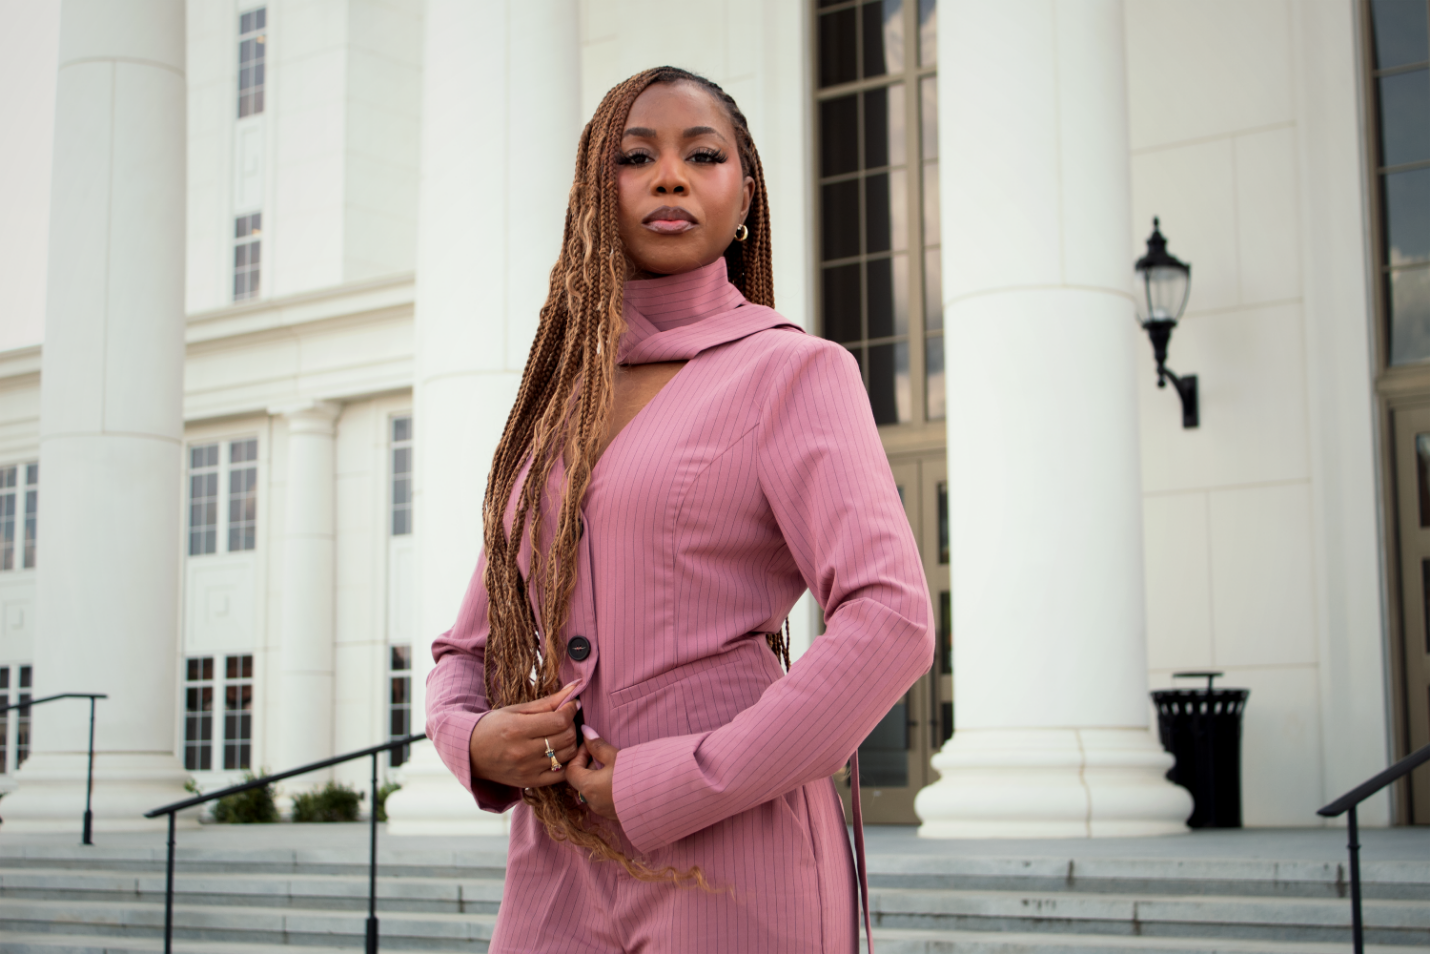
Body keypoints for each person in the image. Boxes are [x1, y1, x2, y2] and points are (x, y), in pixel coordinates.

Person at [426, 65, 933, 954]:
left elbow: (890, 620)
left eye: (703, 155)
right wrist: (470, 738)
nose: (669, 177)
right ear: (595, 194)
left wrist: (675, 779)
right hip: (558, 852)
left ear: (745, 197)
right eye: (635, 157)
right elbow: (466, 647)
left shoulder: (792, 372)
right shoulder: (555, 405)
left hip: (738, 843)